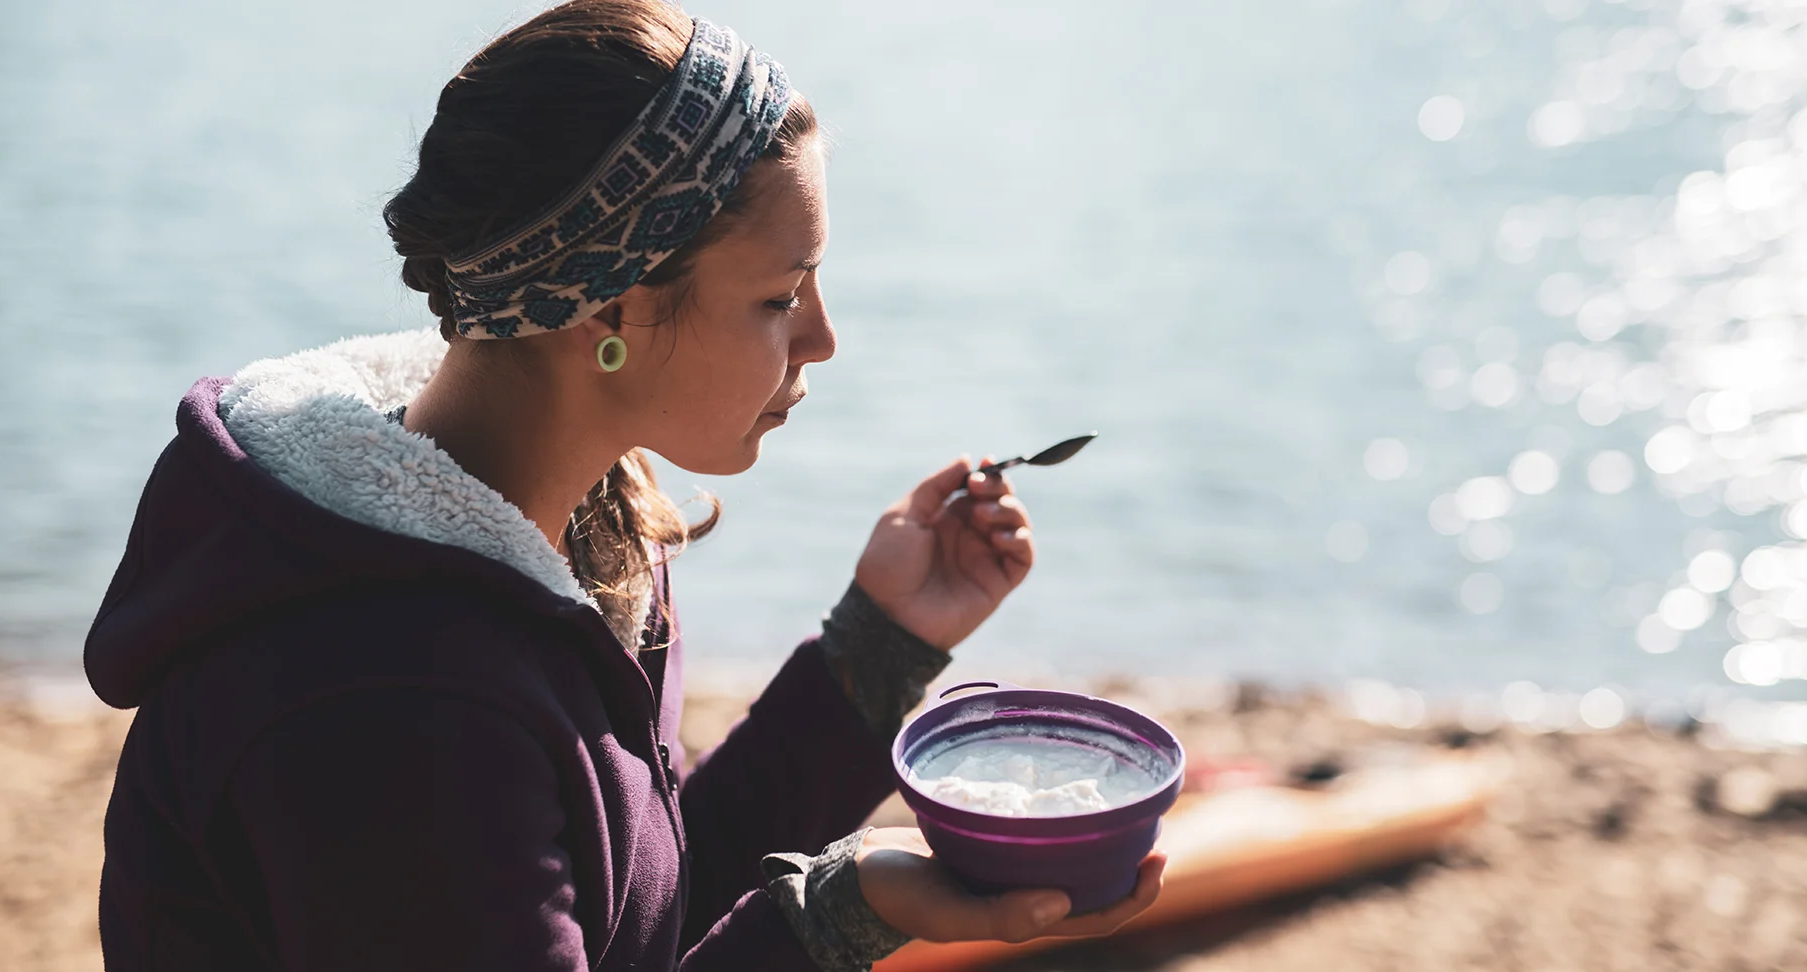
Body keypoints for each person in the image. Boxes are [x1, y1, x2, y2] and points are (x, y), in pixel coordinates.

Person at [83, 2, 1164, 969]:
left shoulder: (584, 526)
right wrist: (844, 912)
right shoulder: (392, 701)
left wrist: (878, 646)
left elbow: (644, 898)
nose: (826, 341)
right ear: (611, 309)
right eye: (782, 296)